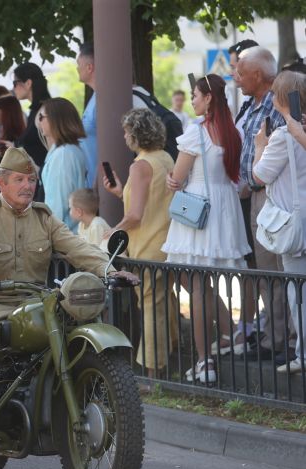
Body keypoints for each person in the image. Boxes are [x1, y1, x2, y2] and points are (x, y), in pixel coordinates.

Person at [0, 147, 138, 354]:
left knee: (71, 329)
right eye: (19, 179)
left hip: (35, 303)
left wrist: (109, 270)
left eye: (31, 180)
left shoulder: (45, 218)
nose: (27, 186)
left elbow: (78, 247)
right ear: (1, 183)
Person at [162, 74, 250, 382]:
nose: (193, 100)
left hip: (198, 211)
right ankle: (231, 335)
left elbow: (177, 176)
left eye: (196, 95)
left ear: (208, 97)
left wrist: (171, 180)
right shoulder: (233, 131)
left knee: (196, 285)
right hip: (226, 210)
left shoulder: (195, 132)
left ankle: (205, 361)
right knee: (207, 281)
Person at [103, 108, 176, 376]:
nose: (123, 136)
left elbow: (135, 215)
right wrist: (120, 191)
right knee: (163, 303)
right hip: (166, 241)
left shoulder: (140, 165)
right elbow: (154, 200)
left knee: (150, 308)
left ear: (135, 134)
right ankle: (168, 362)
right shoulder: (165, 158)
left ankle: (152, 373)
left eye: (126, 131)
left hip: (146, 246)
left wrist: (111, 231)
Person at [236, 46, 289, 357]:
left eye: (241, 73)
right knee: (268, 271)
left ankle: (282, 341)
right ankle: (275, 336)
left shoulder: (274, 107)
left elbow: (277, 159)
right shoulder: (252, 105)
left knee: (275, 270)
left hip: (269, 195)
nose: (237, 78)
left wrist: (253, 179)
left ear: (257, 75)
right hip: (256, 195)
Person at [252, 71, 306, 373]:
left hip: (294, 224)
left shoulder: (284, 137)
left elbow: (258, 177)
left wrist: (260, 145)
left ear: (281, 99)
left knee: (297, 292)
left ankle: (304, 355)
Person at [37, 97, 88, 232]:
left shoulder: (63, 155)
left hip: (63, 239)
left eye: (42, 117)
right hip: (70, 235)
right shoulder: (70, 150)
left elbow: (56, 206)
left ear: (55, 119)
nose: (39, 121)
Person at [12, 62, 52, 170]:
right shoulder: (35, 111)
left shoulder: (44, 111)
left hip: (47, 173)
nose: (13, 88)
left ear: (28, 83)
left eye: (15, 83)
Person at [76, 42, 99, 187]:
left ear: (89, 67)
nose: (77, 68)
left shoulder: (102, 99)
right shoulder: (95, 98)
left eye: (78, 64)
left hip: (98, 185)